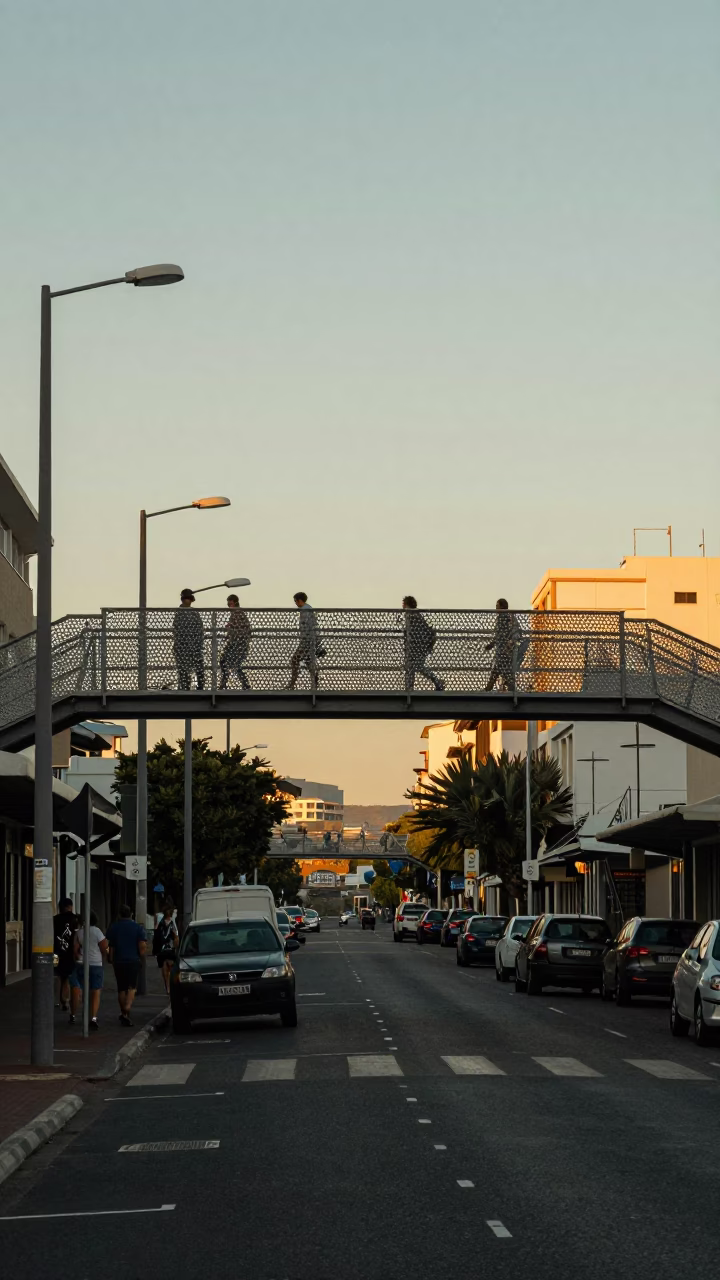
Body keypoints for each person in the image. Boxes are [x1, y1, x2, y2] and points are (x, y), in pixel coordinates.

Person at [106, 904, 147, 1027]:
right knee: (132, 987)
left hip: (118, 961)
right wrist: (141, 956)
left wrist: (111, 959)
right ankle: (128, 1007)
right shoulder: (137, 928)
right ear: (131, 914)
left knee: (121, 988)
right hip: (133, 961)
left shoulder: (114, 927)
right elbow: (142, 947)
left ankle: (123, 1013)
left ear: (119, 914)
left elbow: (111, 946)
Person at [68, 912, 108, 1030]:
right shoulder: (97, 932)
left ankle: (74, 1014)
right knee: (95, 990)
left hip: (81, 963)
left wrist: (78, 956)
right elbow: (104, 947)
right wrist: (104, 957)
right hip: (96, 964)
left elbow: (75, 950)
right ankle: (93, 1017)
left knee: (79, 988)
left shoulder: (79, 933)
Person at [402, 595, 444, 691]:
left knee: (417, 666)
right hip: (416, 647)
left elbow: (416, 631)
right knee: (411, 666)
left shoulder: (412, 615)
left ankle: (437, 682)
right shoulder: (413, 614)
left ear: (407, 604)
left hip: (419, 646)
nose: (402, 605)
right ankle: (409, 688)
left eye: (404, 603)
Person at [286, 592, 321, 690]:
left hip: (307, 641)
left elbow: (308, 627)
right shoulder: (307, 609)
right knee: (308, 661)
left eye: (295, 601)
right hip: (309, 640)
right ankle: (315, 681)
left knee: (294, 660)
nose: (295, 603)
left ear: (299, 600)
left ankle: (292, 684)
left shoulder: (306, 611)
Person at [173, 588, 205, 690]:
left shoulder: (194, 613)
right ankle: (185, 687)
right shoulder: (180, 613)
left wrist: (198, 644)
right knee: (184, 670)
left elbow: (200, 629)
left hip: (195, 646)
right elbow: (177, 630)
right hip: (183, 647)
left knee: (198, 668)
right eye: (187, 599)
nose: (189, 601)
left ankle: (199, 687)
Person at [219, 593, 252, 690]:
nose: (229, 606)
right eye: (228, 604)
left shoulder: (237, 614)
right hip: (237, 644)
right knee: (232, 664)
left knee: (226, 662)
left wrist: (229, 632)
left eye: (230, 604)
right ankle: (243, 684)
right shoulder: (237, 614)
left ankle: (225, 684)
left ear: (235, 603)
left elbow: (238, 631)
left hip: (238, 645)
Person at [485, 598, 518, 691]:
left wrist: (492, 644)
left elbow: (501, 634)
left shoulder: (503, 618)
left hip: (503, 650)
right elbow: (501, 634)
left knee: (501, 671)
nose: (496, 608)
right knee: (503, 671)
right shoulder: (506, 617)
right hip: (503, 650)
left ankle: (489, 688)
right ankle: (490, 687)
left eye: (497, 606)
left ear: (502, 607)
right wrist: (492, 644)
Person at [53, 896, 77, 1011]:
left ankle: (57, 1000)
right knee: (67, 977)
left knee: (57, 975)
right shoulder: (75, 919)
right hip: (70, 953)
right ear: (69, 907)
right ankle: (65, 1000)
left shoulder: (54, 919)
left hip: (56, 952)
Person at [153, 900, 179, 994]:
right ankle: (168, 987)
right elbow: (157, 936)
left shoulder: (172, 922)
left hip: (170, 948)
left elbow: (176, 936)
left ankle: (171, 987)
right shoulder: (162, 923)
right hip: (164, 949)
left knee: (170, 968)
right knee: (165, 969)